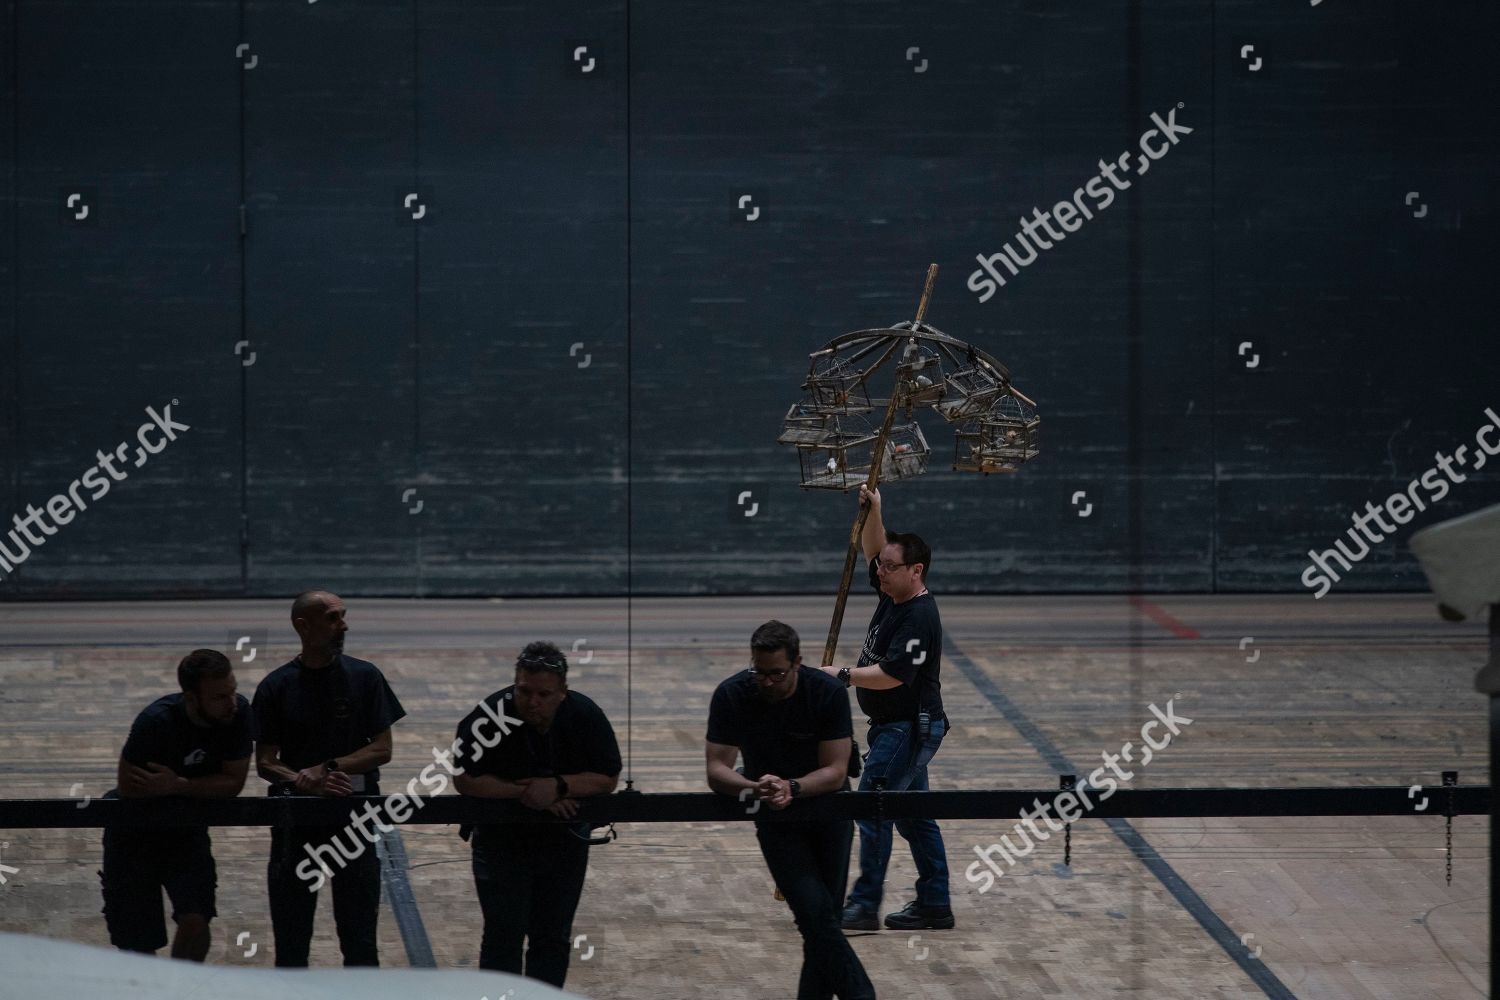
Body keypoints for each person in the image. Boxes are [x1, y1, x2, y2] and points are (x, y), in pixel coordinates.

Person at [707, 620, 875, 1000]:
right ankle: (861, 994)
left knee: (823, 922)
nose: (766, 682)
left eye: (777, 674)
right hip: (776, 819)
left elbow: (834, 771)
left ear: (797, 663)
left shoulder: (827, 692)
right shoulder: (733, 694)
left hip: (828, 812)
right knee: (813, 915)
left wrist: (792, 787)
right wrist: (753, 787)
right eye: (759, 672)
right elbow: (716, 769)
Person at [822, 484, 953, 931]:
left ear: (916, 571)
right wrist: (875, 508)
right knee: (914, 818)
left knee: (873, 809)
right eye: (881, 567)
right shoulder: (893, 594)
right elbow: (874, 549)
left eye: (891, 569)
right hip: (893, 726)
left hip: (907, 728)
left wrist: (841, 675)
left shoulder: (920, 616)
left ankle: (862, 906)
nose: (880, 572)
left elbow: (895, 674)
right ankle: (935, 904)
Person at [453, 641, 621, 988]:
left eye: (544, 694)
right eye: (524, 691)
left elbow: (607, 778)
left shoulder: (585, 715)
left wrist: (558, 786)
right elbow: (465, 778)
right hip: (502, 840)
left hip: (563, 841)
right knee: (502, 937)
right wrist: (529, 793)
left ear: (563, 692)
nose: (532, 702)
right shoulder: (490, 716)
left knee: (552, 936)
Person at [252, 590, 406, 967]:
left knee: (359, 939)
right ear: (303, 626)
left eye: (343, 616)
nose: (344, 625)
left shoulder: (365, 676)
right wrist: (304, 781)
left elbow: (382, 749)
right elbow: (266, 762)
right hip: (295, 822)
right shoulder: (276, 687)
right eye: (333, 618)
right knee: (291, 938)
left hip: (353, 817)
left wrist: (330, 768)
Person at [99, 648, 254, 960]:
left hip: (184, 827)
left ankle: (182, 988)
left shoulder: (238, 715)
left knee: (196, 918)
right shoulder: (156, 721)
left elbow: (233, 782)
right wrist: (198, 789)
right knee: (136, 939)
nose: (231, 703)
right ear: (192, 698)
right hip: (133, 830)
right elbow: (130, 785)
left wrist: (178, 785)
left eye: (232, 691)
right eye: (219, 697)